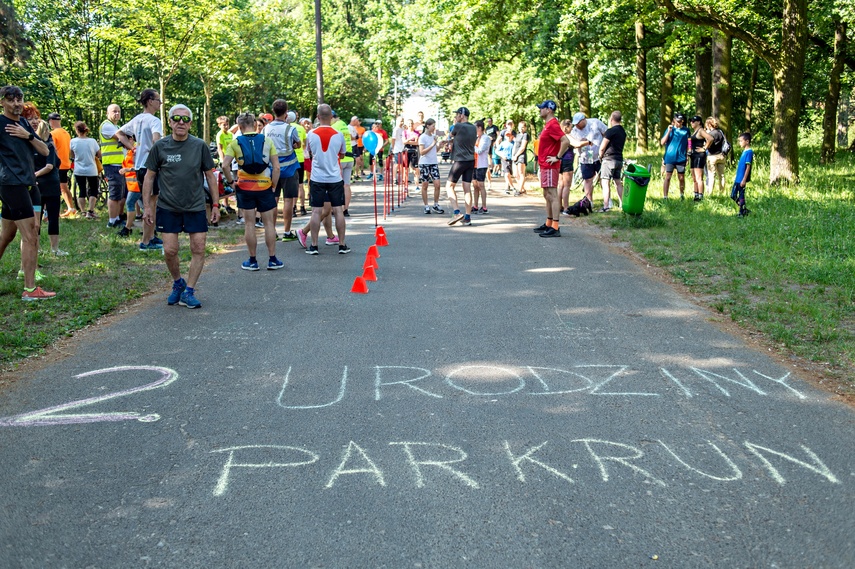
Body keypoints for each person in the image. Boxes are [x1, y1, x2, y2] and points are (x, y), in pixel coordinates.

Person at [143, 104, 220, 308]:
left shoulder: (199, 145)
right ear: (169, 122)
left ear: (190, 124)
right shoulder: (160, 146)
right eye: (176, 119)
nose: (180, 123)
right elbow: (149, 177)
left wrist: (215, 204)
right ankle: (178, 283)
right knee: (170, 250)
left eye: (185, 120)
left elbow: (210, 177)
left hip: (195, 206)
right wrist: (147, 207)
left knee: (199, 247)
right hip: (168, 207)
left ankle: (190, 291)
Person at [0, 85, 54, 300]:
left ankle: (30, 289)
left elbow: (45, 150)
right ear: (2, 102)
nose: (16, 104)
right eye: (11, 100)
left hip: (25, 182)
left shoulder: (22, 123)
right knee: (30, 235)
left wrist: (27, 136)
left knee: (7, 235)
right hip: (11, 183)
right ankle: (30, 290)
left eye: (19, 99)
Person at [223, 112, 282, 271]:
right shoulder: (267, 140)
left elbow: (224, 165)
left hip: (244, 187)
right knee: (269, 223)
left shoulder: (235, 143)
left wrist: (231, 182)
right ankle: (272, 259)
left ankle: (252, 260)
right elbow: (276, 167)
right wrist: (274, 185)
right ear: (256, 125)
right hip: (265, 186)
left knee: (249, 224)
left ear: (240, 127)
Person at [116, 89, 164, 250]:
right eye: (158, 100)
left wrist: (133, 148)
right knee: (150, 204)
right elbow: (156, 140)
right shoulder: (154, 121)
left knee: (150, 202)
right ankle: (145, 241)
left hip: (139, 167)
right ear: (150, 101)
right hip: (150, 166)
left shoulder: (137, 119)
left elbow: (119, 133)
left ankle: (151, 236)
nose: (160, 103)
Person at [302, 104, 350, 255]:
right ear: (331, 117)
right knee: (338, 210)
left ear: (317, 117)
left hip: (317, 177)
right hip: (335, 176)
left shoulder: (311, 134)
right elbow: (342, 154)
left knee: (316, 211)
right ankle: (342, 245)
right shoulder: (338, 134)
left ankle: (314, 245)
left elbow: (308, 153)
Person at [26, 110, 66, 256]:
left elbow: (49, 166)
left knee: (44, 218)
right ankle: (48, 248)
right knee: (45, 218)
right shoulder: (43, 146)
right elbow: (51, 166)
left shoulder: (41, 146)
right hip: (44, 186)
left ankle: (45, 248)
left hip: (42, 185)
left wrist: (33, 175)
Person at [263, 99, 301, 241]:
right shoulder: (290, 129)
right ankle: (286, 232)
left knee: (273, 199)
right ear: (286, 113)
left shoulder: (265, 129)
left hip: (272, 169)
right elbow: (297, 144)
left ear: (273, 112)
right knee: (288, 200)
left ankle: (272, 231)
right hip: (290, 169)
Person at [533, 100, 564, 237]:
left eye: (542, 108)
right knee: (547, 194)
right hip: (544, 165)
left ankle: (555, 227)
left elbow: (565, 141)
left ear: (549, 110)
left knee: (552, 194)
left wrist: (557, 157)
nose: (540, 110)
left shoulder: (553, 125)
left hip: (551, 165)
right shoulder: (548, 125)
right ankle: (549, 223)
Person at [445, 107, 477, 226]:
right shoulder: (473, 128)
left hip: (460, 160)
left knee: (449, 186)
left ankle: (457, 212)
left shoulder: (458, 126)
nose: (456, 117)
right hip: (470, 160)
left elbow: (450, 135)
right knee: (467, 189)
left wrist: (454, 124)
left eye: (457, 114)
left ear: (462, 115)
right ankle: (467, 217)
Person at [569, 112, 607, 206]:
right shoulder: (574, 131)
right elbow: (573, 144)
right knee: (588, 179)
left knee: (603, 178)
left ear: (583, 120)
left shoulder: (595, 122)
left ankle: (607, 201)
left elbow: (606, 134)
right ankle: (589, 201)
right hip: (586, 157)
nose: (577, 125)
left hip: (599, 155)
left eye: (578, 123)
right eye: (575, 124)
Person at [99, 104, 127, 227]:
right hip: (112, 164)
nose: (117, 113)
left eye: (118, 111)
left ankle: (116, 218)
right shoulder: (107, 126)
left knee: (119, 194)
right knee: (115, 194)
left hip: (118, 164)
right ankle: (112, 221)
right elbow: (121, 137)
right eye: (114, 111)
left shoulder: (116, 126)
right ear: (107, 113)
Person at [68, 121, 101, 219]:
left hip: (79, 169)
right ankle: (90, 211)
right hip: (91, 169)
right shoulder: (92, 141)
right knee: (93, 190)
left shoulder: (73, 141)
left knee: (81, 190)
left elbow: (71, 155)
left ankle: (82, 211)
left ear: (77, 130)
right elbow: (99, 154)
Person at [48, 112, 77, 217]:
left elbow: (52, 150)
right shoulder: (66, 133)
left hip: (57, 164)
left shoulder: (53, 134)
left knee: (60, 188)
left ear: (51, 121)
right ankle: (71, 207)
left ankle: (68, 208)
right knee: (64, 187)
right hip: (66, 163)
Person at [597, 111, 627, 212]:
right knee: (618, 182)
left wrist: (600, 157)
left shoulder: (610, 131)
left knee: (605, 182)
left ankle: (606, 206)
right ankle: (622, 204)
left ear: (611, 119)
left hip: (608, 159)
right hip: (619, 159)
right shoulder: (623, 131)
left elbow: (602, 147)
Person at [417, 118, 445, 215]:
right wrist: (433, 144)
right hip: (424, 163)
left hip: (433, 163)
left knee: (437, 184)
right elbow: (422, 152)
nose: (434, 128)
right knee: (425, 185)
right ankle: (426, 206)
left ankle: (436, 204)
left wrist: (439, 146)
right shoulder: (422, 137)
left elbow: (434, 150)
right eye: (433, 126)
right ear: (428, 126)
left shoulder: (434, 136)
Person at [660, 114, 689, 199]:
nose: (679, 123)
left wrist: (688, 154)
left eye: (681, 121)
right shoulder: (670, 129)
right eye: (678, 121)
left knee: (681, 178)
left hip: (681, 157)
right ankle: (665, 196)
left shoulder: (686, 130)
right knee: (668, 176)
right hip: (670, 157)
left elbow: (689, 142)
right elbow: (662, 142)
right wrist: (669, 131)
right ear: (674, 120)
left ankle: (682, 195)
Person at [331, 110, 354, 216]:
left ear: (332, 117)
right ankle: (346, 209)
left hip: (340, 159)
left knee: (336, 185)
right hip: (350, 158)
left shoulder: (335, 126)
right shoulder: (344, 124)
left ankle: (336, 209)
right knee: (346, 185)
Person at [688, 115, 713, 201]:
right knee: (694, 177)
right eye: (691, 121)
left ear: (698, 122)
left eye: (693, 121)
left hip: (699, 156)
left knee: (699, 177)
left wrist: (704, 148)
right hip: (693, 155)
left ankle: (700, 196)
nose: (691, 123)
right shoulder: (694, 131)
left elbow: (710, 138)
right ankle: (695, 195)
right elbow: (690, 143)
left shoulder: (701, 130)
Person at [118, 136, 138, 238]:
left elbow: (141, 167)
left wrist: (127, 170)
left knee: (130, 203)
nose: (124, 148)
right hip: (133, 184)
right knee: (146, 207)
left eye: (124, 145)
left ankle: (127, 228)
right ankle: (152, 230)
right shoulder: (130, 151)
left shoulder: (136, 150)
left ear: (131, 139)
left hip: (137, 184)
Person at [731, 132, 753, 217]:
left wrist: (744, 179)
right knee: (733, 195)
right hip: (738, 178)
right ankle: (743, 209)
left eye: (741, 141)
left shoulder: (749, 152)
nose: (740, 143)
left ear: (747, 141)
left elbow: (748, 167)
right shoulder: (744, 151)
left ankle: (741, 212)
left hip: (742, 179)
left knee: (741, 195)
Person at [472, 119, 491, 214]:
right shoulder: (476, 138)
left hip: (481, 165)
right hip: (474, 164)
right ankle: (475, 205)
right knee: (475, 185)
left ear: (480, 128)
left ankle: (484, 207)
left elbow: (479, 150)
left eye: (475, 128)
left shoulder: (485, 138)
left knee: (481, 185)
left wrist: (471, 145)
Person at [704, 117, 727, 195]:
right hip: (721, 155)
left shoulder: (710, 134)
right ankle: (722, 192)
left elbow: (707, 144)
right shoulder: (720, 132)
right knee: (722, 175)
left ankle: (710, 193)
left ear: (709, 124)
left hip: (712, 156)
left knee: (711, 175)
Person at [557, 119, 575, 213]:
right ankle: (566, 208)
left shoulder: (559, 136)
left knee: (561, 185)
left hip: (560, 161)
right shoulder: (567, 136)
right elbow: (577, 144)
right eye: (571, 127)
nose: (572, 128)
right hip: (567, 161)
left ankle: (559, 206)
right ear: (566, 127)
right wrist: (587, 142)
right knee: (567, 185)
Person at [511, 120, 530, 195]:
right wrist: (513, 155)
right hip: (515, 155)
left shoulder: (525, 135)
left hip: (521, 155)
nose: (521, 129)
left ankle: (519, 190)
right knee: (515, 174)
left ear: (525, 128)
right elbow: (515, 145)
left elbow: (522, 147)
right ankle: (522, 188)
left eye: (523, 127)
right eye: (520, 127)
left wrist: (516, 155)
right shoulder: (517, 135)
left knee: (521, 172)